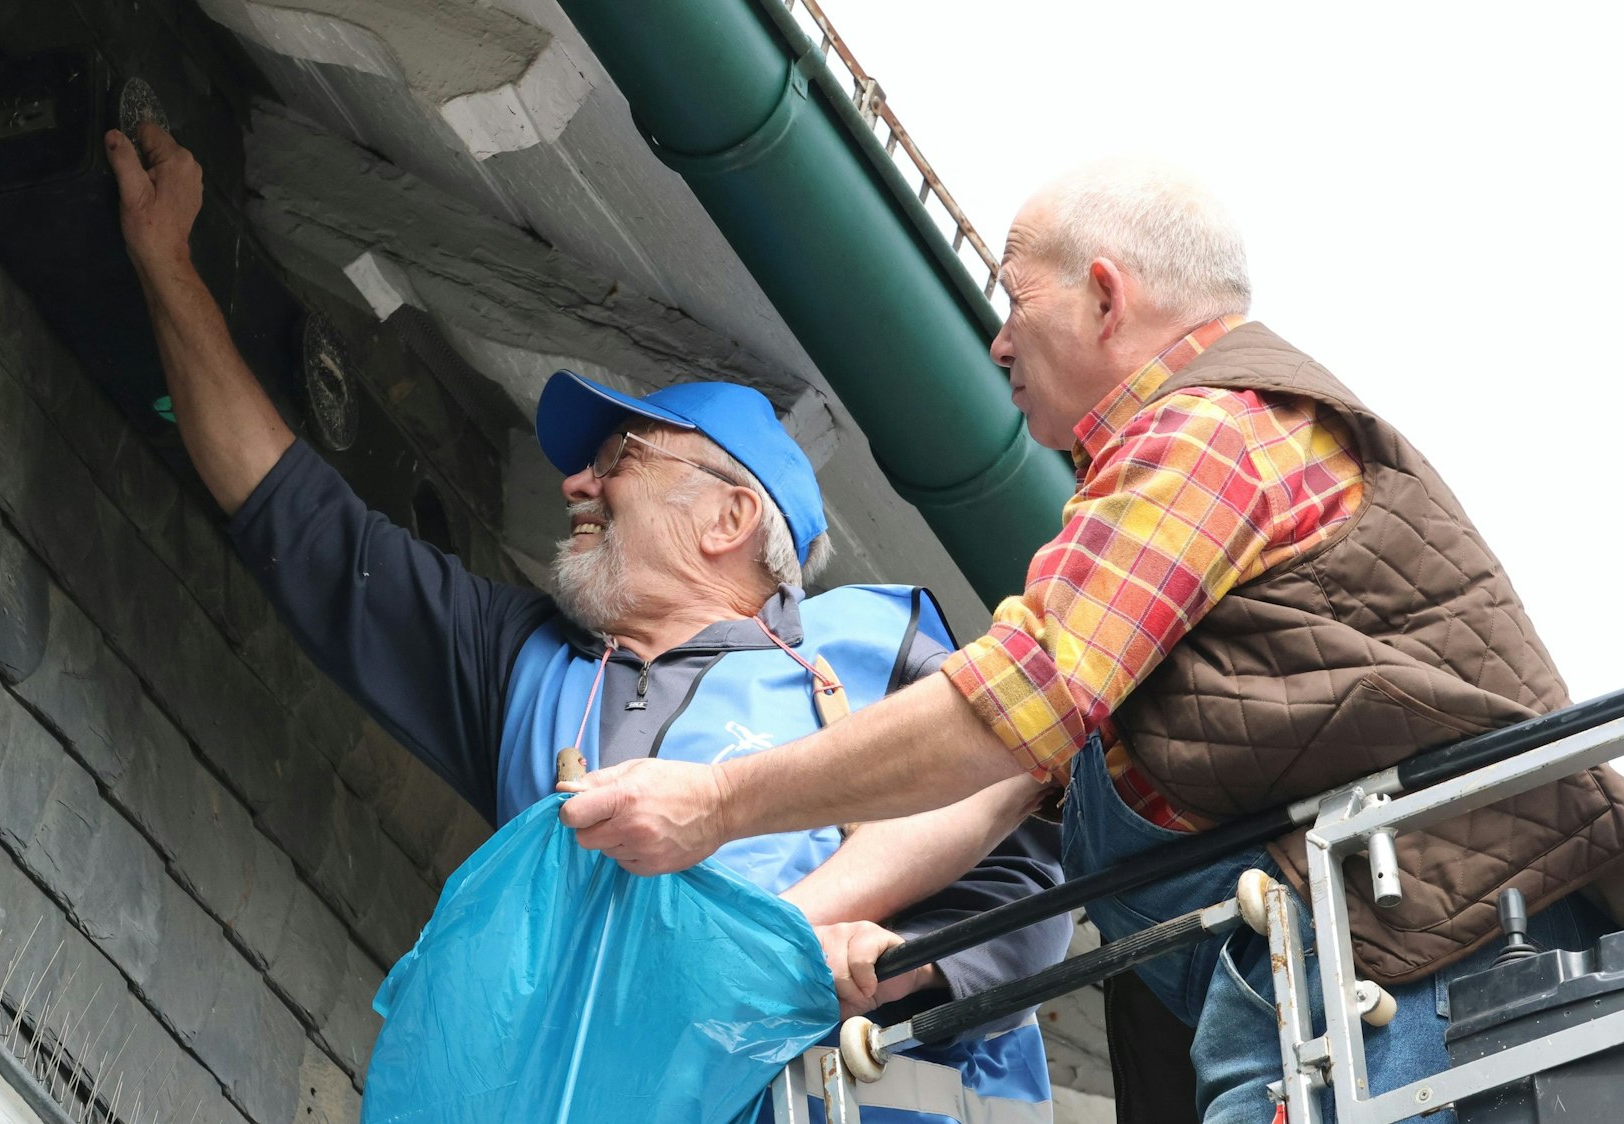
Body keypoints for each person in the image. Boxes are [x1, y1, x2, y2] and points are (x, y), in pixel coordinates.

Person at [559, 158, 1624, 1123]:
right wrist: (775, 942)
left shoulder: (1209, 434)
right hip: (1355, 984)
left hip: (1428, 979)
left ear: (1107, 297)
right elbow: (1003, 775)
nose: (998, 341)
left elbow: (1018, 698)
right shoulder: (1172, 490)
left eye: (1015, 299)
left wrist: (716, 803)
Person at [104, 121, 1070, 1123]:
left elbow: (1023, 864)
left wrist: (901, 962)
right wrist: (165, 262)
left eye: (620, 459)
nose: (576, 482)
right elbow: (294, 517)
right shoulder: (521, 667)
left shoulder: (868, 655)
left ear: (730, 519)